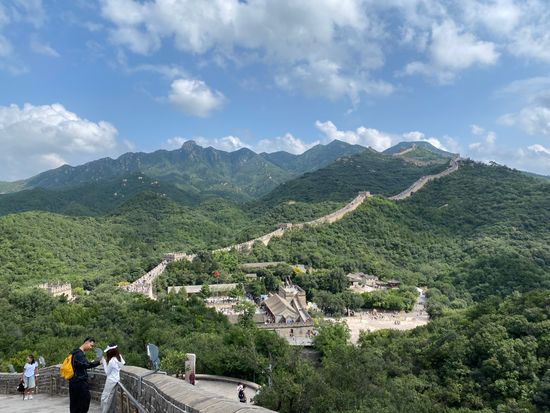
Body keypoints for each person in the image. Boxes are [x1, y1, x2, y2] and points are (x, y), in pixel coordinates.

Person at [69, 337, 101, 413]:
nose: (91, 347)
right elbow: (86, 364)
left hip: (74, 381)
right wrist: (98, 362)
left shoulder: (74, 352)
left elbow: (80, 365)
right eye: (91, 345)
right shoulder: (79, 354)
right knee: (83, 403)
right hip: (79, 382)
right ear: (87, 342)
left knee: (75, 404)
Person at [100, 343, 125, 413]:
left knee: (106, 398)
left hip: (110, 381)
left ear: (111, 352)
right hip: (117, 380)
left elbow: (107, 373)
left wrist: (104, 363)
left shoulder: (111, 361)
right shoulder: (119, 357)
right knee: (113, 398)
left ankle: (104, 411)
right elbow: (122, 366)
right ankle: (111, 411)